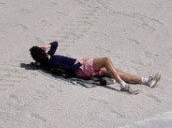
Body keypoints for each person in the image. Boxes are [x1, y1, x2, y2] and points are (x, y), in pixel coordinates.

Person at [29, 41, 160, 94]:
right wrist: (83, 61)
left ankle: (145, 80)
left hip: (82, 68)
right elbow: (70, 70)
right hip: (81, 69)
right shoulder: (51, 63)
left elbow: (56, 43)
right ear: (42, 54)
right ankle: (123, 85)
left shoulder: (48, 58)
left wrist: (47, 45)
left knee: (114, 71)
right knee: (106, 60)